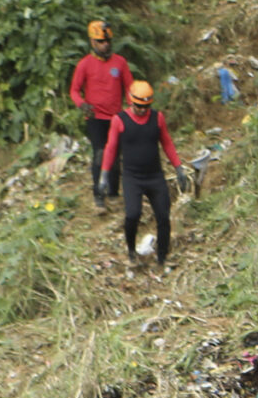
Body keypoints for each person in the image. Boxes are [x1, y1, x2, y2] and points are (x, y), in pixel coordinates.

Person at [99, 79, 184, 270]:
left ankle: (162, 258)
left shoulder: (157, 118)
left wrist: (178, 167)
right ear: (131, 101)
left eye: (146, 106)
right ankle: (131, 251)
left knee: (163, 216)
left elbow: (167, 143)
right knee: (132, 215)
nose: (142, 110)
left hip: (155, 176)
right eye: (138, 106)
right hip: (132, 178)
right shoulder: (119, 120)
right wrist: (104, 175)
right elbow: (111, 149)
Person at [68, 22, 132, 210]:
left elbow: (129, 88)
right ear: (92, 42)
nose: (105, 45)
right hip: (95, 118)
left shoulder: (120, 63)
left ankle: (113, 193)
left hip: (116, 117)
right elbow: (74, 90)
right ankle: (98, 196)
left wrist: (132, 109)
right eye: (100, 42)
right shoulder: (84, 65)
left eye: (107, 41)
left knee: (115, 156)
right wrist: (82, 104)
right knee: (100, 154)